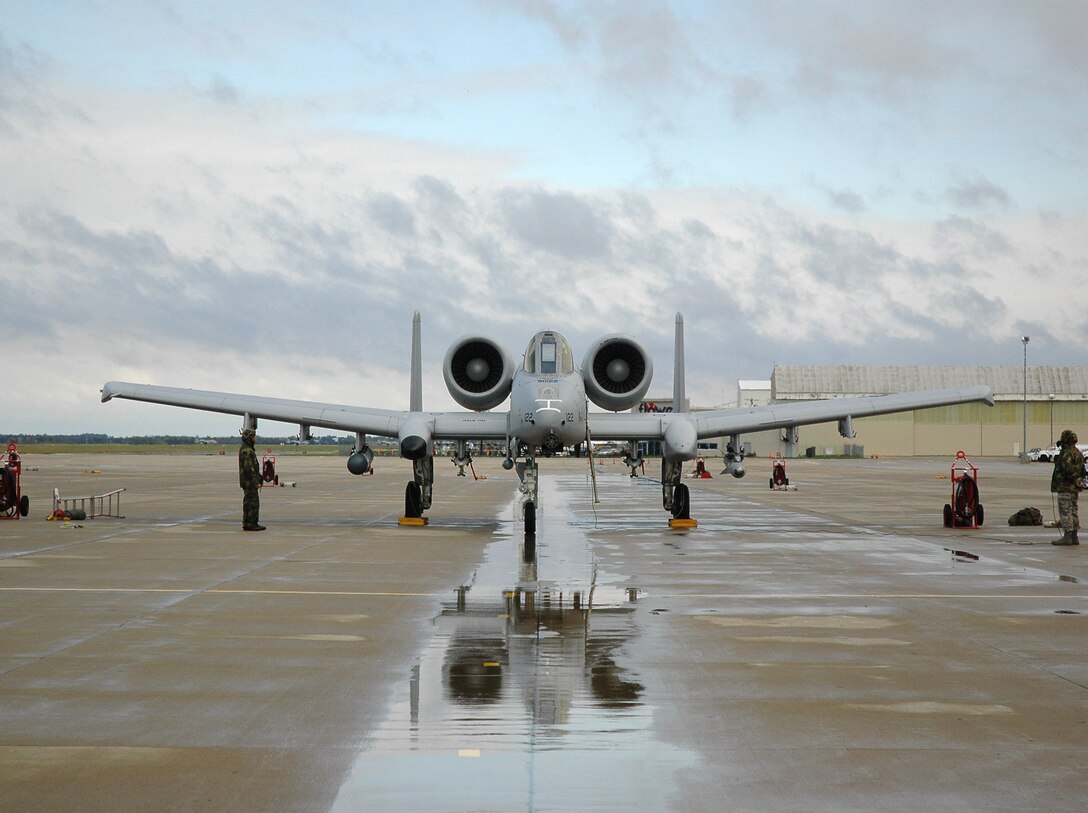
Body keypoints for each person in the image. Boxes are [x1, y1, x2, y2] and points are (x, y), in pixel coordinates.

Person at [1051, 429, 1083, 545]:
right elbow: (1081, 470)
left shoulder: (1066, 453)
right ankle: (1074, 536)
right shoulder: (1077, 452)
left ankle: (1067, 536)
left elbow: (1067, 469)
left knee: (1065, 511)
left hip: (1065, 487)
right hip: (1074, 488)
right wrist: (1077, 481)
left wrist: (1073, 479)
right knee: (1073, 510)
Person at [239, 428, 265, 531]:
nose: (255, 438)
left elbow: (253, 467)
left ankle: (249, 522)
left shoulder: (248, 449)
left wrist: (259, 477)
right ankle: (250, 523)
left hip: (248, 481)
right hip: (249, 482)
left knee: (250, 502)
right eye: (254, 436)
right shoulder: (247, 451)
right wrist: (255, 482)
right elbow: (249, 468)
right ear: (250, 437)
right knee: (252, 503)